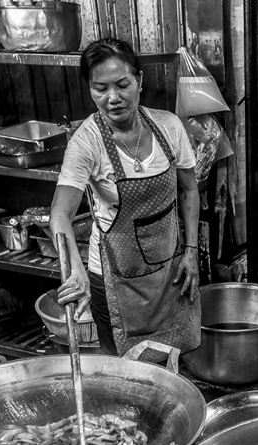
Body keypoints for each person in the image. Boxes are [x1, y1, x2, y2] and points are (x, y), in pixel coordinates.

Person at [50, 38, 201, 357]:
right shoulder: (87, 142)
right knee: (127, 376)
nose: (112, 98)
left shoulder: (169, 127)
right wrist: (74, 270)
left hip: (169, 273)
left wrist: (191, 251)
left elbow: (189, 189)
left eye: (122, 84)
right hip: (114, 281)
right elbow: (60, 215)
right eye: (100, 88)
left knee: (169, 363)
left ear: (140, 81)